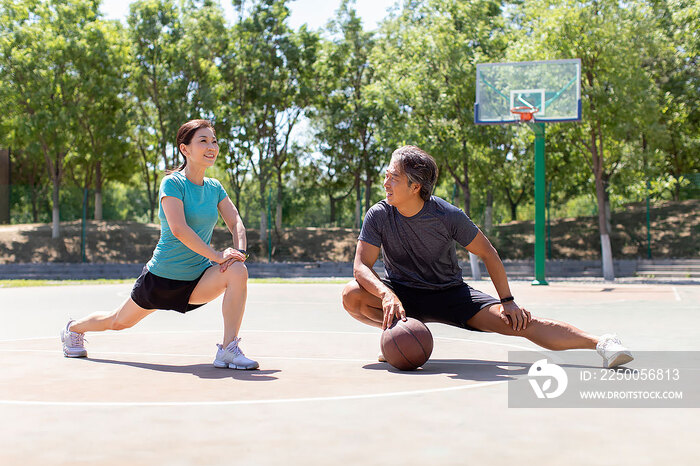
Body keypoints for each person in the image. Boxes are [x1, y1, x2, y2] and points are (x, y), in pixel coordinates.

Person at [341, 145, 633, 369]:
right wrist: (386, 295)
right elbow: (361, 266)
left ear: (415, 186)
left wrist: (508, 301)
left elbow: (488, 253)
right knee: (353, 294)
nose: (385, 182)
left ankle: (602, 342)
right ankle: (402, 335)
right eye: (387, 175)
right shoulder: (379, 214)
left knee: (519, 324)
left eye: (393, 176)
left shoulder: (447, 216)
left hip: (450, 294)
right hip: (404, 293)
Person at [60, 119, 258, 370]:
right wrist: (218, 255)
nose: (211, 146)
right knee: (118, 321)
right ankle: (73, 328)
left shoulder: (215, 188)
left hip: (196, 282)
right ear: (185, 149)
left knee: (238, 271)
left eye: (214, 141)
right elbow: (179, 229)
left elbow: (236, 222)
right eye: (203, 141)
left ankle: (228, 349)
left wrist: (238, 253)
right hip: (160, 280)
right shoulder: (173, 183)